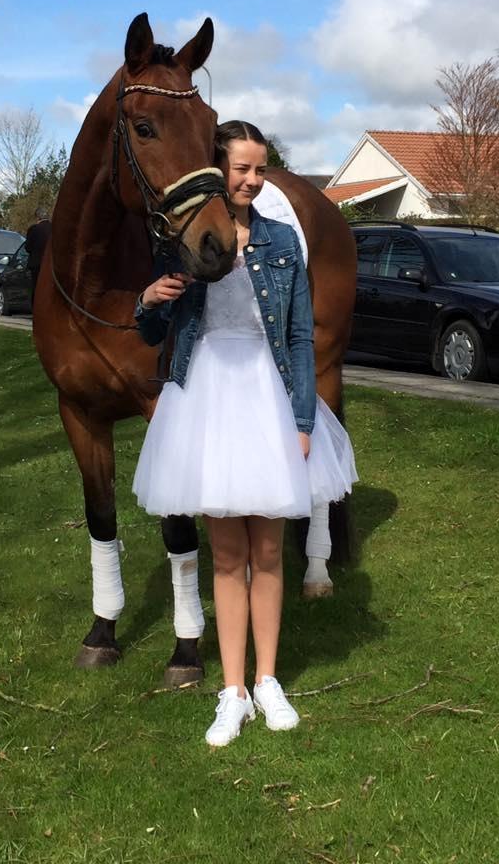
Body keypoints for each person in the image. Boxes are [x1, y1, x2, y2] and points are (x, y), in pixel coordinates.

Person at [132, 121, 356, 747]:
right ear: (216, 170)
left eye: (260, 170)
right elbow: (154, 332)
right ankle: (231, 692)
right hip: (207, 399)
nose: (253, 182)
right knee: (227, 555)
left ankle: (267, 680)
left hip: (268, 397)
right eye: (242, 170)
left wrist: (304, 419)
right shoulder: (188, 239)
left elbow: (299, 337)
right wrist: (150, 300)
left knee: (266, 552)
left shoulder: (284, 240)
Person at [25, 206, 52, 298]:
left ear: (37, 217)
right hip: (51, 264)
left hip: (37, 264)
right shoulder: (55, 228)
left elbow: (28, 248)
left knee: (36, 289)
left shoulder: (34, 229)